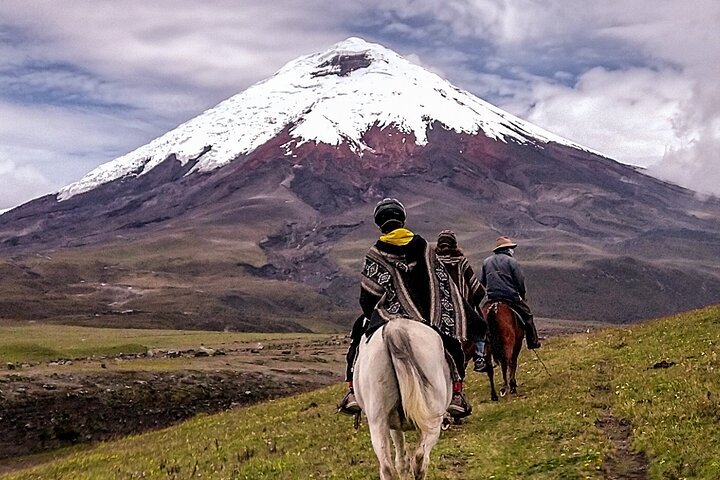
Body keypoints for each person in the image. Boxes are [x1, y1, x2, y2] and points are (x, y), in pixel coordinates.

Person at [338, 198, 472, 418]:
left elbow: (367, 296)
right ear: (402, 219)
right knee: (451, 342)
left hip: (385, 315)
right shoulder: (424, 248)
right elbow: (439, 284)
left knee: (357, 336)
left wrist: (375, 311)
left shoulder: (375, 252)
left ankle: (352, 390)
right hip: (423, 315)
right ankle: (457, 393)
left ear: (380, 223)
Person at [435, 230, 491, 373]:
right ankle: (479, 357)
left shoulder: (432, 260)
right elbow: (476, 288)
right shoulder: (460, 260)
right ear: (454, 244)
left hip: (437, 309)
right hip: (460, 307)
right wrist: (472, 302)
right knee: (480, 327)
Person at [479, 236, 541, 349]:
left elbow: (482, 281)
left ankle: (480, 351)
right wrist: (522, 295)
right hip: (510, 297)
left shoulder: (486, 262)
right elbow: (520, 281)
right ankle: (533, 342)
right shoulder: (512, 262)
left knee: (480, 319)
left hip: (492, 298)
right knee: (527, 315)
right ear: (507, 249)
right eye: (511, 248)